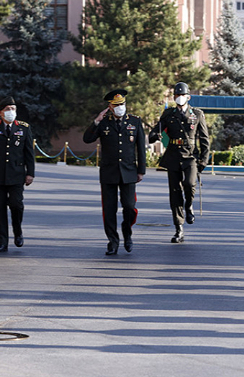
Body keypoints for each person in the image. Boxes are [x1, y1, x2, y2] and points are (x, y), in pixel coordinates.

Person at [83, 89, 146, 255]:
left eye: (122, 104)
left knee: (130, 207)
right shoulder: (103, 122)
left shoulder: (135, 121)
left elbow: (140, 148)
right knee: (109, 210)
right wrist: (96, 121)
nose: (120, 107)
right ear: (109, 107)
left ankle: (127, 232)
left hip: (129, 171)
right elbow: (87, 139)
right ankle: (112, 241)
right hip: (109, 172)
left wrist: (141, 170)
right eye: (116, 105)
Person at [148, 82, 209, 244]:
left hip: (190, 156)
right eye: (177, 95)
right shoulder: (168, 114)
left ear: (188, 97)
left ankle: (188, 205)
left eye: (182, 95)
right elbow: (155, 131)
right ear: (174, 97)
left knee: (189, 184)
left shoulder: (197, 114)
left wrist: (204, 159)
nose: (179, 98)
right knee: (175, 192)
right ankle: (179, 229)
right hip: (173, 155)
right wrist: (154, 136)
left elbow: (204, 139)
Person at [0, 96, 35, 253]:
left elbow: (29, 152)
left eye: (13, 109)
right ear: (1, 113)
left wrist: (30, 173)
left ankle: (18, 231)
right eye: (8, 109)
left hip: (17, 174)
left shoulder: (24, 128)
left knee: (17, 205)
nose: (11, 112)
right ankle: (2, 241)